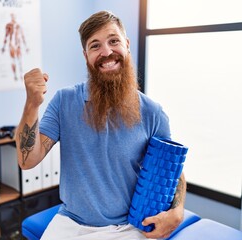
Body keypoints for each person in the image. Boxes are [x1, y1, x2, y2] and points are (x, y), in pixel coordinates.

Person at [15, 10, 186, 240]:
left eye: (113, 41)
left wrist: (178, 211)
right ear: (86, 56)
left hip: (128, 228)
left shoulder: (152, 112)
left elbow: (172, 170)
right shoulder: (64, 101)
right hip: (71, 224)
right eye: (95, 46)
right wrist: (31, 104)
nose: (106, 52)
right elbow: (27, 160)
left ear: (126, 44)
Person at [1, 13, 29, 81]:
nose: (13, 18)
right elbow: (6, 35)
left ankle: (21, 75)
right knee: (13, 61)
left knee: (19, 60)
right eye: (12, 16)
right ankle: (15, 76)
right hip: (12, 45)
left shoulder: (18, 26)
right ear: (11, 17)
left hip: (18, 44)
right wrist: (3, 47)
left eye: (14, 16)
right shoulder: (9, 25)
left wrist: (26, 47)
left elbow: (22, 36)